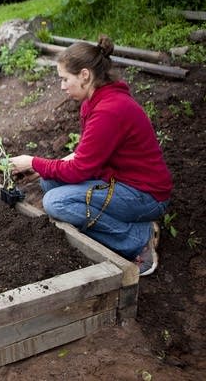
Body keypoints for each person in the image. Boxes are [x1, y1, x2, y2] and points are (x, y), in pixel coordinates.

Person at [10, 35, 172, 277]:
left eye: (65, 79)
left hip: (146, 195)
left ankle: (137, 239)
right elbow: (86, 156)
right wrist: (39, 169)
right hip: (121, 183)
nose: (62, 86)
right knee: (49, 181)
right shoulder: (93, 102)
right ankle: (132, 226)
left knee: (56, 203)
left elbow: (80, 169)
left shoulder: (110, 110)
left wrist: (33, 161)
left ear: (85, 75)